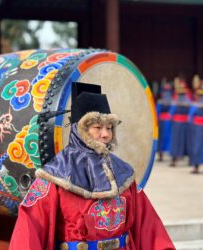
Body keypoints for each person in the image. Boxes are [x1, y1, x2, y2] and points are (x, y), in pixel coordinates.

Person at [9, 83, 175, 250]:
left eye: (109, 128)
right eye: (97, 127)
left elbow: (149, 228)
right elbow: (28, 231)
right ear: (79, 129)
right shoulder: (55, 175)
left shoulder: (123, 174)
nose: (105, 134)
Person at [156, 82, 173, 162]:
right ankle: (162, 154)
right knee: (163, 138)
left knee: (167, 138)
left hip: (167, 122)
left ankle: (166, 154)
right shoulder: (161, 102)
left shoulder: (170, 102)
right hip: (164, 122)